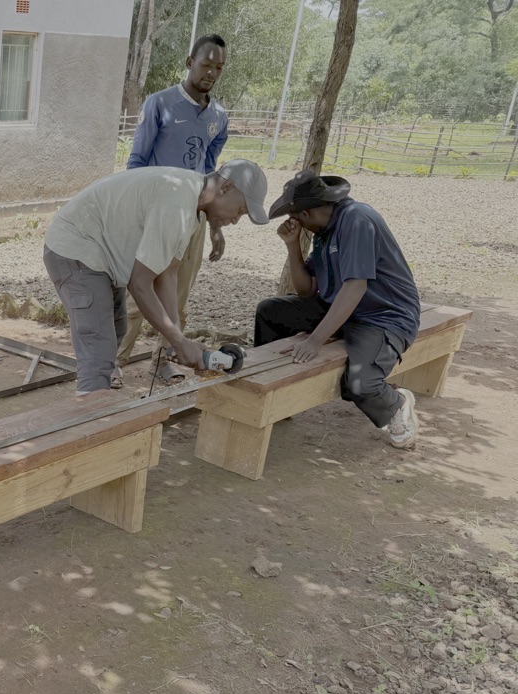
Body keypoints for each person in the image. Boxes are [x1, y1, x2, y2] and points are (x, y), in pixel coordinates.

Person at [43, 159, 269, 395]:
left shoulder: (193, 206)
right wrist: (180, 343)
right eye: (240, 211)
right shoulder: (178, 203)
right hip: (75, 247)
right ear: (226, 187)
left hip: (99, 252)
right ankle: (89, 417)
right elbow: (140, 284)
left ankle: (97, 398)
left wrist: (176, 337)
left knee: (116, 328)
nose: (235, 220)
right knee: (98, 343)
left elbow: (167, 273)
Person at [255, 170, 421, 448]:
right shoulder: (323, 232)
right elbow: (306, 290)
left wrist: (315, 339)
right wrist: (292, 245)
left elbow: (355, 287)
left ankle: (396, 404)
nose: (293, 223)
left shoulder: (356, 218)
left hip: (383, 316)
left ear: (305, 215)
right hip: (346, 311)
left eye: (293, 217)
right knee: (271, 311)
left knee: (360, 384)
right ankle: (276, 398)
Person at [118, 33, 230, 384]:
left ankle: (163, 358)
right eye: (205, 63)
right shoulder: (160, 103)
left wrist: (214, 225)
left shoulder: (219, 117)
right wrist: (133, 212)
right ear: (189, 63)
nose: (211, 72)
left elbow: (211, 176)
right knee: (139, 291)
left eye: (218, 67)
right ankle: (112, 362)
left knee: (178, 295)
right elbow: (137, 160)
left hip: (192, 217)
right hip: (154, 214)